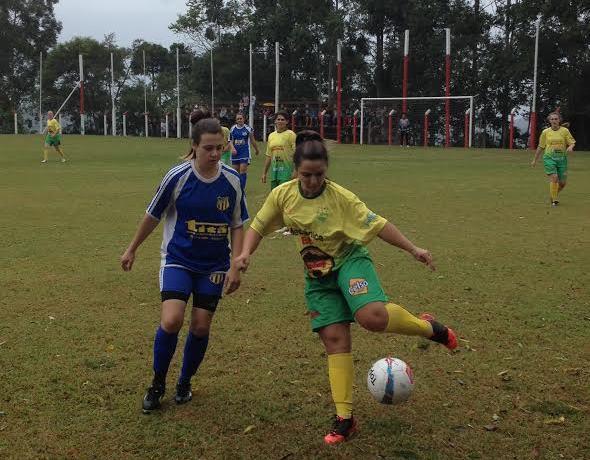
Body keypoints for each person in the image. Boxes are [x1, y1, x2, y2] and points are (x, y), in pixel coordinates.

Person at [234, 130, 457, 444]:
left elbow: (378, 224)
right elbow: (258, 225)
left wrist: (413, 248)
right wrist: (244, 254)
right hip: (317, 275)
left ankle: (429, 328)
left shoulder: (341, 197)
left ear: (327, 170)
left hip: (350, 261)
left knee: (372, 318)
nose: (312, 181)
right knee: (334, 339)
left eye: (319, 175)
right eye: (306, 175)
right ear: (296, 171)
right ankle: (345, 419)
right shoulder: (282, 195)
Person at [120, 114, 247, 413]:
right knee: (172, 320)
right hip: (178, 259)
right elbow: (153, 215)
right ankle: (157, 383)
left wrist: (236, 264)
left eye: (219, 148)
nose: (215, 154)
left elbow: (238, 224)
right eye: (208, 148)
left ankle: (184, 382)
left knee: (201, 327)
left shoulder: (231, 180)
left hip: (214, 265)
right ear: (194, 147)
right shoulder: (177, 177)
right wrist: (132, 248)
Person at [531, 112, 575, 206]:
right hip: (549, 158)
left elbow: (571, 142)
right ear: (549, 121)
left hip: (562, 160)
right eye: (552, 119)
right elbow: (541, 146)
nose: (554, 121)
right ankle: (554, 200)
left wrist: (571, 147)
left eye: (556, 119)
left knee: (562, 183)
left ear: (559, 120)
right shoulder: (545, 132)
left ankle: (553, 194)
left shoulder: (565, 131)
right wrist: (535, 159)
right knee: (554, 178)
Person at [261, 111, 297, 190]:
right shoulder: (271, 136)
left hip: (287, 172)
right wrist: (264, 173)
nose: (280, 121)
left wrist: (295, 171)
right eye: (278, 119)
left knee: (284, 197)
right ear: (275, 121)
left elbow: (297, 154)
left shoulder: (291, 135)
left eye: (282, 119)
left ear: (287, 122)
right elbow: (268, 156)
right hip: (274, 172)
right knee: (274, 197)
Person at [229, 112, 260, 189]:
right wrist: (232, 148)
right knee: (235, 172)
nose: (239, 120)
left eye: (241, 118)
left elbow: (253, 140)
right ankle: (235, 188)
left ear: (244, 119)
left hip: (244, 152)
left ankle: (242, 188)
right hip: (235, 153)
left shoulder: (248, 129)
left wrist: (256, 149)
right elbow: (230, 140)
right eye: (238, 119)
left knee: (243, 170)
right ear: (236, 120)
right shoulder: (232, 129)